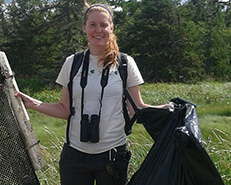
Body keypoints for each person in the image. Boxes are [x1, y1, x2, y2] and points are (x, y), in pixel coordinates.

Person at [15, 2, 168, 185]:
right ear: (84, 28)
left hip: (113, 156)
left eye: (104, 25)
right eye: (93, 25)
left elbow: (137, 109)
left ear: (111, 27)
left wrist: (168, 109)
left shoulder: (125, 64)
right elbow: (65, 109)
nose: (98, 30)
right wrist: (32, 103)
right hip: (74, 157)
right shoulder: (72, 63)